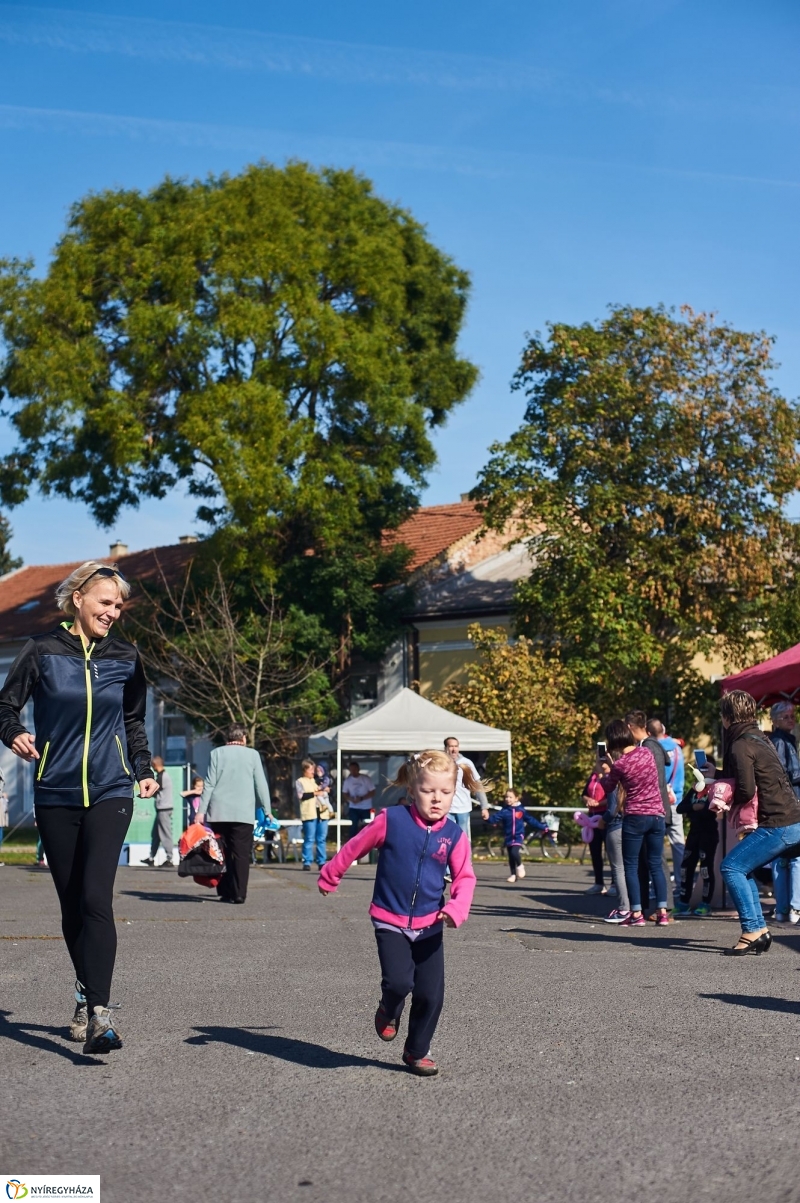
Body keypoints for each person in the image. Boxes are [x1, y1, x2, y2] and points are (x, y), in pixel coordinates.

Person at [0, 560, 159, 1054]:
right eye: (105, 602)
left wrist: (143, 769)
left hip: (112, 790)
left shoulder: (127, 657)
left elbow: (134, 722)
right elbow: (4, 706)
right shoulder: (42, 651)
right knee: (72, 907)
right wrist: (16, 733)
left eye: (118, 606)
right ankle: (85, 990)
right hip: (56, 793)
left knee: (95, 898)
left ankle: (100, 1016)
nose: (113, 612)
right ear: (79, 600)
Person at [318, 749, 477, 1077]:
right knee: (399, 981)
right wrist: (331, 874)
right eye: (428, 791)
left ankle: (417, 1050)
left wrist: (456, 908)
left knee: (431, 994)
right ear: (412, 789)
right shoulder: (392, 820)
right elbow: (354, 846)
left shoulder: (455, 836)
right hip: (389, 918)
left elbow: (465, 877)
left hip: (431, 923)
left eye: (446, 793)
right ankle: (389, 1009)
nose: (437, 799)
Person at [718, 690, 800, 955]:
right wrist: (717, 774)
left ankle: (753, 929)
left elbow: (745, 789)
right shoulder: (760, 738)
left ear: (727, 717)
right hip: (791, 818)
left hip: (779, 823)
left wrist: (721, 796)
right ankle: (760, 930)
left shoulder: (740, 743)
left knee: (731, 867)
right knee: (744, 867)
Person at [596, 719, 670, 926]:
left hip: (636, 817)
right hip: (657, 815)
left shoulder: (619, 765)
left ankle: (636, 914)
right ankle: (662, 912)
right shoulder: (646, 753)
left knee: (631, 865)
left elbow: (609, 786)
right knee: (655, 864)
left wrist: (603, 770)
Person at [198, 724, 273, 905]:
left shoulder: (216, 754)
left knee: (221, 853)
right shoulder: (253, 755)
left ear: (227, 738)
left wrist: (201, 811)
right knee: (241, 854)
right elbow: (260, 785)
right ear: (244, 738)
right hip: (243, 813)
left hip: (219, 812)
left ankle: (224, 891)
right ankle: (239, 893)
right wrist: (267, 810)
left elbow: (209, 784)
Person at [674, 753, 719, 917]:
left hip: (708, 833)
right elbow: (680, 808)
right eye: (700, 769)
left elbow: (714, 808)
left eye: (706, 769)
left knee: (706, 868)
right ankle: (683, 903)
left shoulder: (716, 788)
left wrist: (704, 807)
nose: (702, 772)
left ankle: (705, 904)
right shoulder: (695, 789)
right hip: (694, 833)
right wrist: (694, 807)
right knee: (686, 868)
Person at [768, 701, 800, 924]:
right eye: (787, 716)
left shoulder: (786, 740)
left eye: (793, 715)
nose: (792, 719)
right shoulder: (780, 742)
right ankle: (794, 907)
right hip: (789, 805)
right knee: (794, 857)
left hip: (785, 805)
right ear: (776, 720)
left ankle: (783, 908)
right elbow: (781, 775)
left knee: (783, 857)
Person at [647, 717, 686, 894]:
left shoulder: (653, 750)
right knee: (678, 844)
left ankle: (658, 885)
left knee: (656, 845)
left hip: (659, 801)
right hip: (676, 799)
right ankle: (681, 883)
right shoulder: (677, 748)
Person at [487, 787, 548, 882]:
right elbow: (494, 819)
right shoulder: (504, 811)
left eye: (510, 797)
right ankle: (513, 875)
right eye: (506, 797)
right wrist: (487, 818)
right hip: (508, 836)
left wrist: (542, 827)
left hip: (518, 835)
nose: (508, 799)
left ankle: (520, 865)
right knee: (511, 856)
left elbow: (531, 820)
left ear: (516, 798)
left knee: (514, 852)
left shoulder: (521, 810)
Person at [444, 737, 488, 845]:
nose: (454, 749)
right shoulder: (442, 763)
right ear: (446, 748)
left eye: (456, 746)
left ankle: (464, 860)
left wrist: (484, 806)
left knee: (462, 837)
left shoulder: (466, 763)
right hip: (446, 808)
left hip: (463, 807)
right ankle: (447, 861)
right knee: (447, 837)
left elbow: (476, 784)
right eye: (451, 746)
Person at [295, 757, 330, 872]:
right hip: (309, 813)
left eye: (313, 769)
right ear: (304, 770)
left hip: (322, 813)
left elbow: (325, 788)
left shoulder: (316, 780)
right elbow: (301, 796)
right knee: (309, 838)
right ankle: (307, 861)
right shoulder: (300, 781)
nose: (312, 772)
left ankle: (321, 861)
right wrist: (316, 793)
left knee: (321, 839)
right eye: (310, 770)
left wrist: (327, 789)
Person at [141, 755, 174, 867]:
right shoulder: (162, 775)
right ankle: (151, 857)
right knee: (155, 834)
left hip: (164, 809)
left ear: (155, 764)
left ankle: (169, 858)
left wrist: (144, 793)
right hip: (162, 809)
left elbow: (154, 790)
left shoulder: (162, 776)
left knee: (165, 834)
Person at [581, 770, 608, 895]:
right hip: (592, 817)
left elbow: (615, 796)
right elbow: (584, 794)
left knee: (612, 852)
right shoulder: (593, 775)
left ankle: (615, 884)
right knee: (595, 851)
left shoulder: (612, 774)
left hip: (606, 815)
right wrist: (588, 800)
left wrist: (599, 803)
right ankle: (599, 883)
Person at [342, 760, 375, 841]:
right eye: (351, 769)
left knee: (367, 826)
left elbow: (373, 792)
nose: (353, 771)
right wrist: (351, 799)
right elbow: (344, 793)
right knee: (353, 826)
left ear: (358, 769)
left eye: (354, 769)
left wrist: (362, 798)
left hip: (366, 807)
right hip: (354, 807)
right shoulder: (348, 780)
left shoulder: (366, 779)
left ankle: (367, 842)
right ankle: (352, 844)